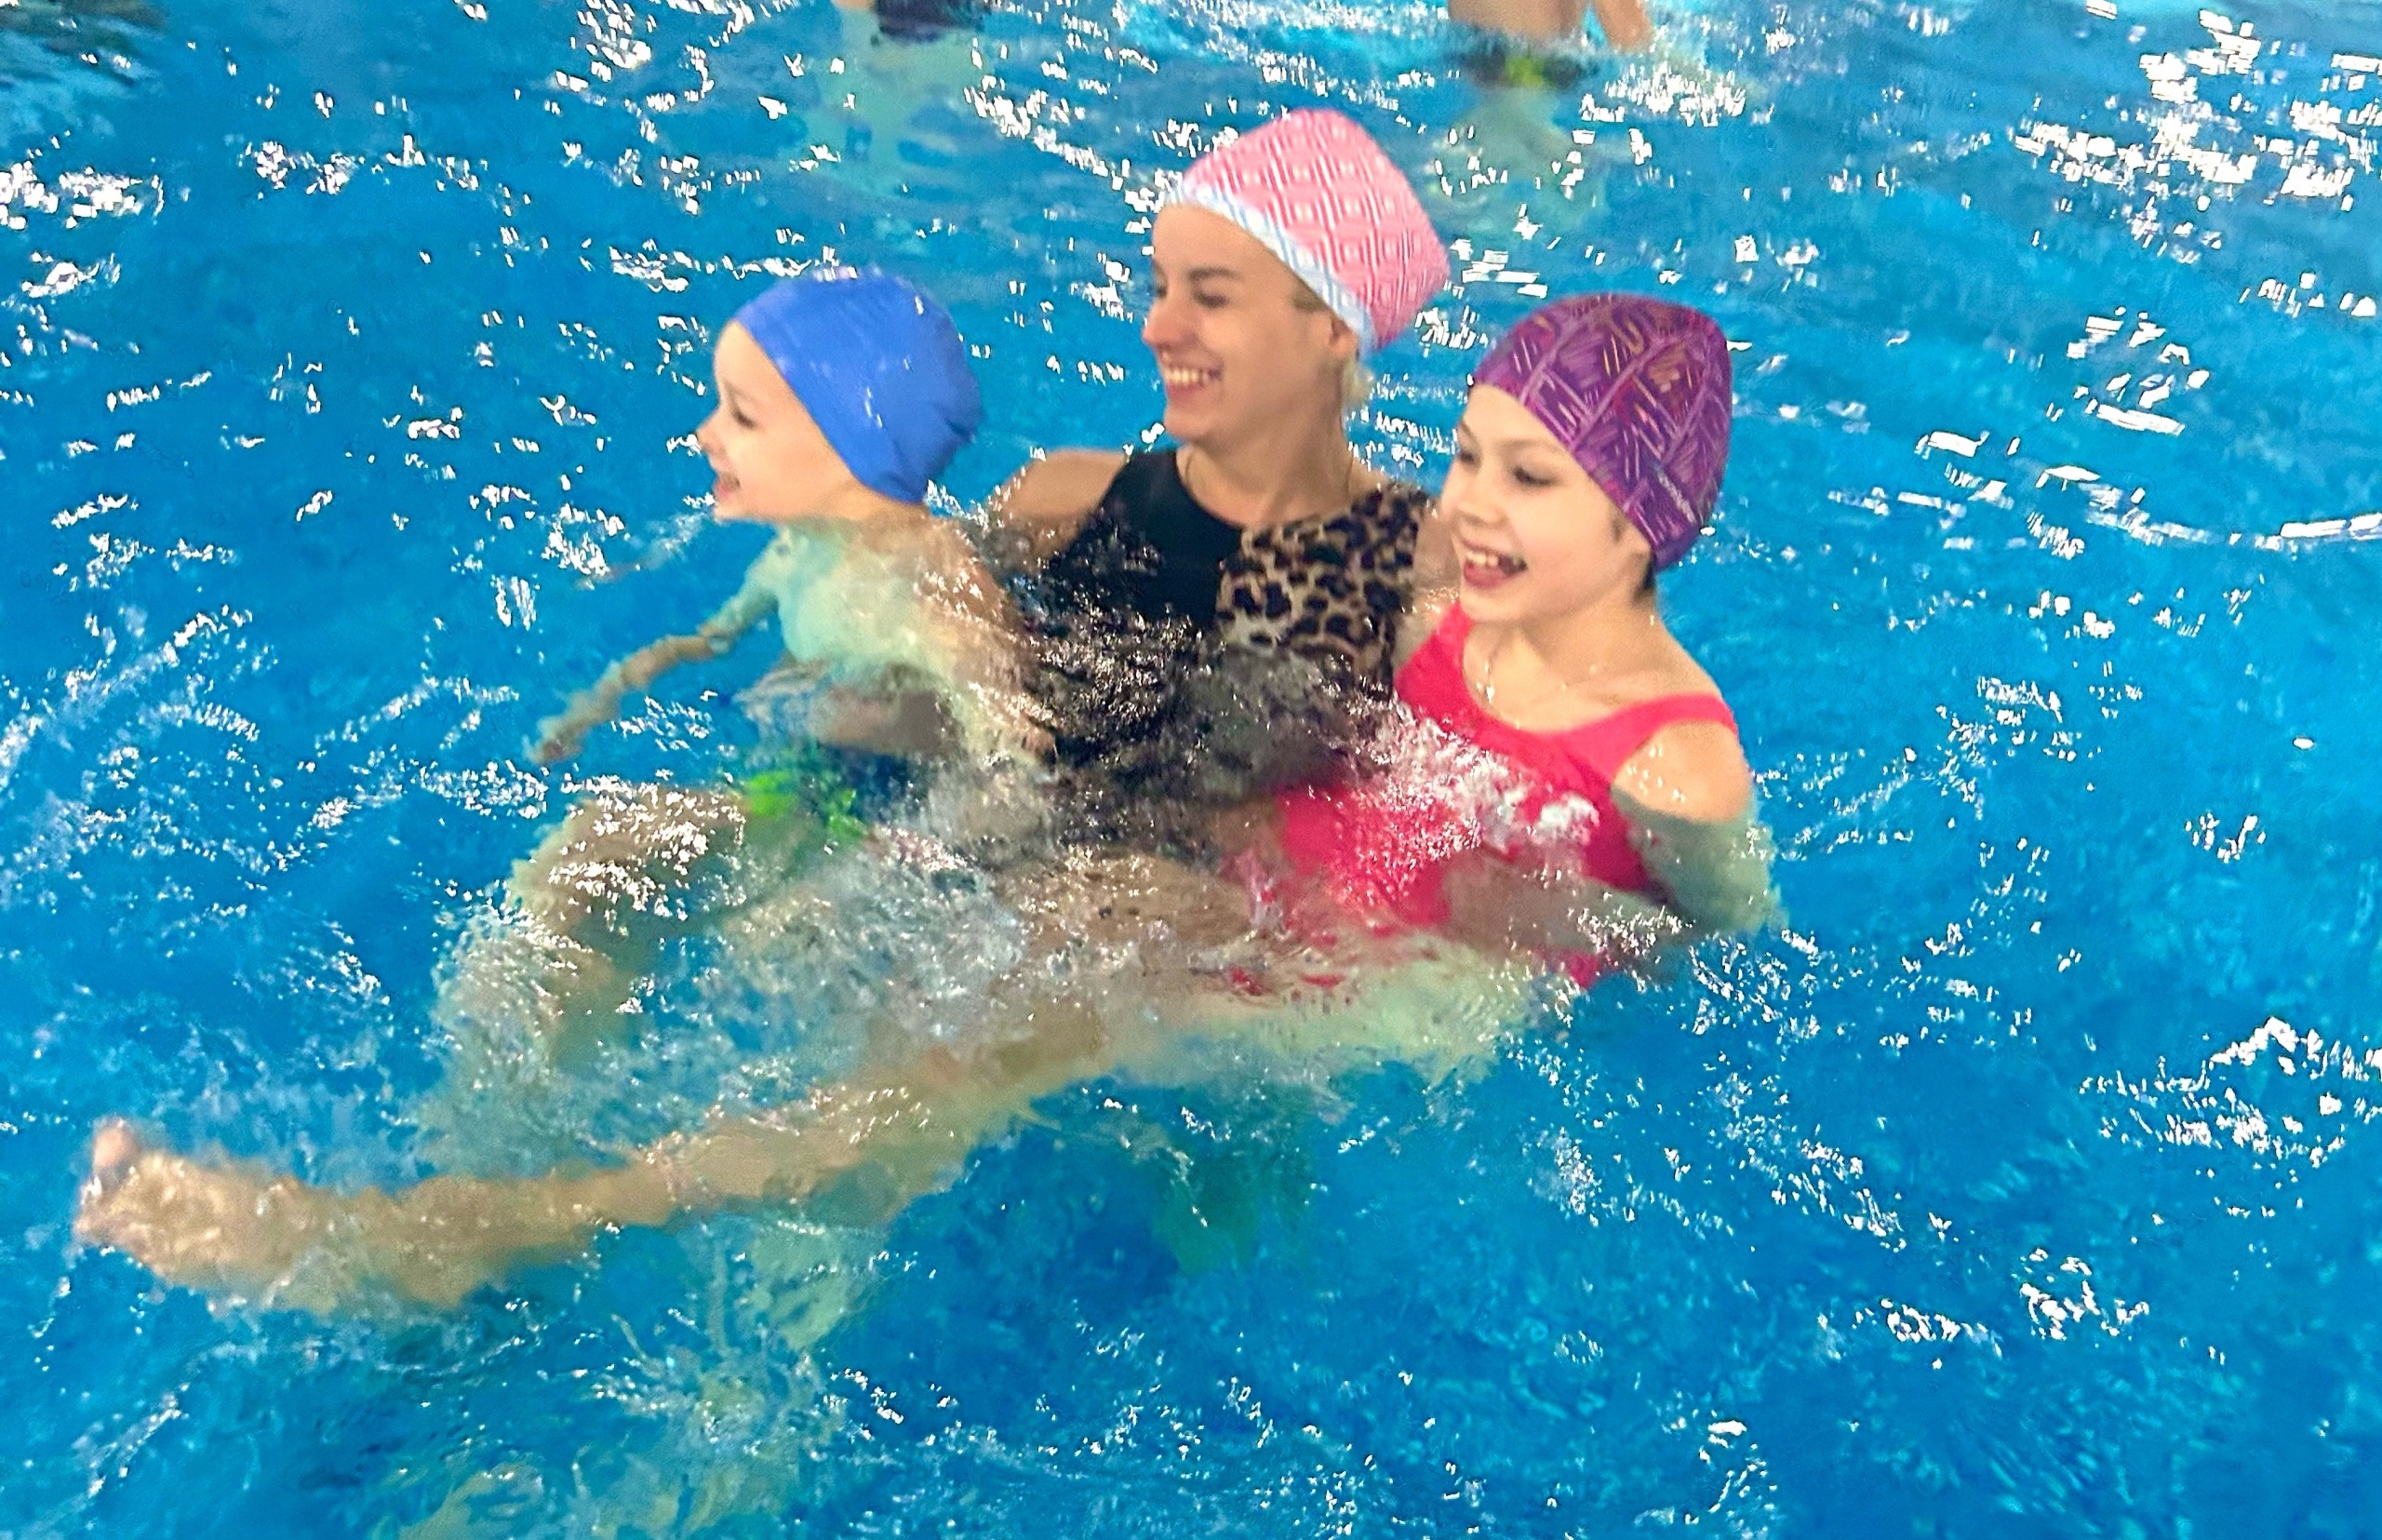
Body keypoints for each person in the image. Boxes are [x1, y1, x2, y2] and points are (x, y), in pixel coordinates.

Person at [72, 291, 1775, 1313]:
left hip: (1402, 985)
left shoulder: (1679, 758)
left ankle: (479, 1232)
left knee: (964, 1053)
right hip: (1250, 898)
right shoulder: (1451, 606)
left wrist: (1529, 918)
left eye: (1528, 477)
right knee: (955, 959)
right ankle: (667, 1203)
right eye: (1467, 455)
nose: (1471, 504)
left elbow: (1716, 951)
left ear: (1647, 521)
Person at [461, 266, 1035, 1058]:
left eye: (742, 415)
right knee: (592, 843)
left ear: (847, 447)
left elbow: (1014, 746)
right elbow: (709, 639)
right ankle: (538, 1048)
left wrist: (928, 857)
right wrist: (605, 696)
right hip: (800, 784)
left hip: (892, 823)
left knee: (768, 939)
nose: (706, 433)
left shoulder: (930, 594)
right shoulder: (799, 549)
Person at [872, 106, 1454, 853]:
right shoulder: (1064, 501)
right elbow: (884, 594)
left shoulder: (1425, 568)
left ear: (1334, 330)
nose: (1157, 330)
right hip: (969, 846)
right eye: (1159, 290)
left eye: (1210, 298)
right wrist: (959, 649)